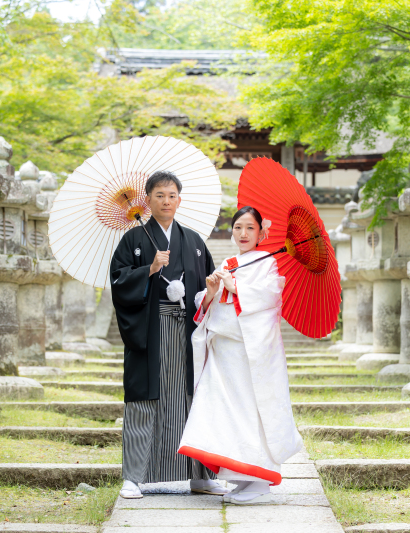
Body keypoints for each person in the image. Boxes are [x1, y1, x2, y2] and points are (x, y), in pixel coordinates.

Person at [109, 170, 231, 499]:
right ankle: (133, 478)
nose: (166, 200)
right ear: (146, 200)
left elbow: (208, 292)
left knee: (195, 398)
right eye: (159, 195)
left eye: (172, 195)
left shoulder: (193, 242)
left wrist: (205, 294)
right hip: (150, 332)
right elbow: (119, 284)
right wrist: (148, 270)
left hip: (188, 332)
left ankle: (201, 475)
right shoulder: (133, 241)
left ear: (179, 200)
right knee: (145, 402)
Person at [178, 206, 303, 505]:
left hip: (250, 354)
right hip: (224, 354)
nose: (243, 234)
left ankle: (260, 482)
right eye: (238, 228)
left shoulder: (269, 264)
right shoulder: (229, 261)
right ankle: (244, 478)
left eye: (250, 228)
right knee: (227, 415)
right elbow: (208, 307)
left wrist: (237, 287)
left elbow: (270, 297)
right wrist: (209, 292)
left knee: (251, 413)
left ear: (262, 232)